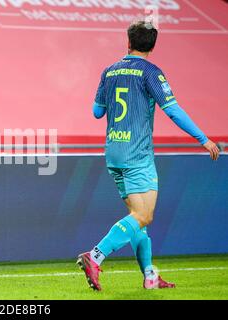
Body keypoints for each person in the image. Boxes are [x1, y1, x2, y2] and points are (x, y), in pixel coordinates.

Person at [77, 20, 220, 291]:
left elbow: (97, 112)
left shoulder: (109, 71)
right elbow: (173, 110)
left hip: (114, 153)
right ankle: (95, 257)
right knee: (143, 216)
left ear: (128, 42)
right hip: (138, 155)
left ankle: (150, 276)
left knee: (136, 217)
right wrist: (204, 139)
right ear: (152, 46)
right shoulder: (151, 73)